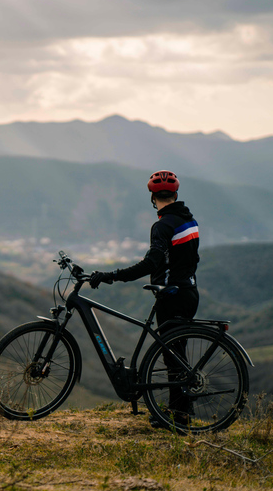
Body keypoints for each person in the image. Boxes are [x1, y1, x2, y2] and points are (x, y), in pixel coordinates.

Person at [89, 170, 199, 428]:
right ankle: (178, 414)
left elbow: (151, 262)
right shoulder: (189, 220)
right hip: (189, 292)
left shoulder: (162, 226)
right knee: (175, 354)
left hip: (171, 295)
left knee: (173, 356)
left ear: (152, 197)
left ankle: (179, 418)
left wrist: (113, 275)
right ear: (176, 194)